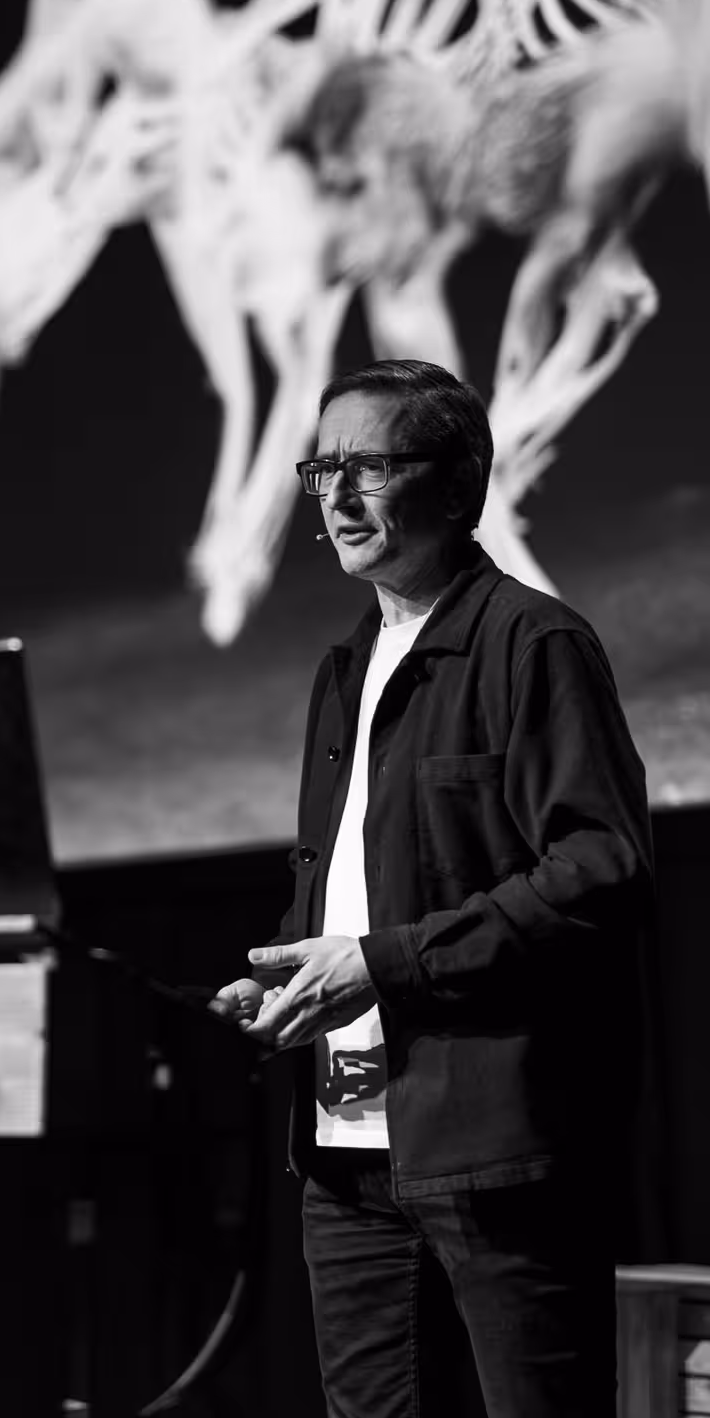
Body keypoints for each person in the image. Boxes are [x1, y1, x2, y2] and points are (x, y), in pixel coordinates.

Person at [212, 358, 652, 1418]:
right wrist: (287, 973)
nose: (339, 495)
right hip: (346, 1154)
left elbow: (600, 871)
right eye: (324, 467)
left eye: (371, 465)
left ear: (459, 487)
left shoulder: (532, 643)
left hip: (494, 1154)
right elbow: (347, 888)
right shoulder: (345, 666)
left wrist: (383, 964)